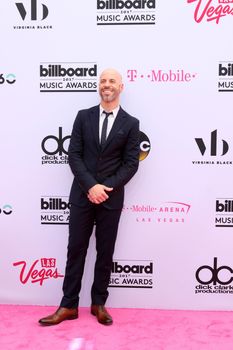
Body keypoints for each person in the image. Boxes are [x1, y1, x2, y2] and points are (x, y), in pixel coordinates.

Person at [39, 68, 140, 326]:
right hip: (83, 196)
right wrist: (91, 187)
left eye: (112, 81)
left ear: (121, 87)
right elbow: (73, 155)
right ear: (99, 86)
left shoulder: (131, 123)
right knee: (76, 250)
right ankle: (68, 305)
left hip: (111, 198)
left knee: (105, 253)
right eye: (103, 81)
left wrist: (104, 188)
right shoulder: (83, 117)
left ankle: (99, 304)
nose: (107, 85)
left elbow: (130, 164)